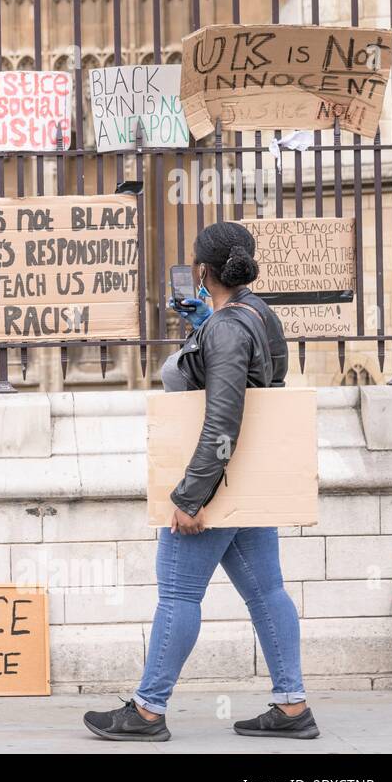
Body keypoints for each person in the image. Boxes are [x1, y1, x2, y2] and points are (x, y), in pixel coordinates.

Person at [84, 221, 318, 742]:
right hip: (250, 480)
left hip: (217, 483)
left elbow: (224, 414)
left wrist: (191, 496)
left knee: (178, 593)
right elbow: (256, 384)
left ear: (202, 271)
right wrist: (202, 325)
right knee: (267, 591)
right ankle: (290, 704)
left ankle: (146, 712)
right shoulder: (256, 314)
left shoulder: (229, 327)